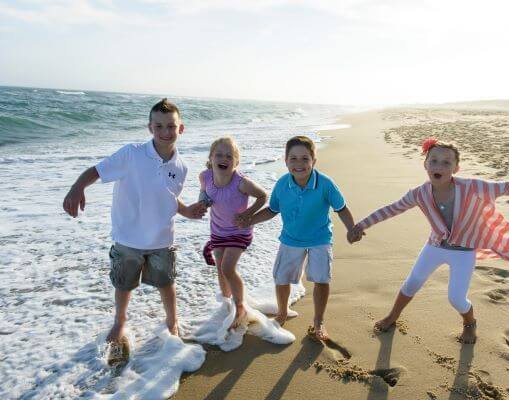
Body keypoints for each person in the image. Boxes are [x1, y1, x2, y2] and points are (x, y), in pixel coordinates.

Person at [349, 137, 509, 344]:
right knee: (411, 283)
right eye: (434, 161)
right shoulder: (418, 193)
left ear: (456, 168)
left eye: (446, 163)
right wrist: (361, 225)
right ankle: (393, 316)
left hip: (463, 251)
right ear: (425, 165)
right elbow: (391, 209)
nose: (439, 166)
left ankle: (469, 322)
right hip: (435, 246)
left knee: (456, 299)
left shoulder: (473, 187)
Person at [62, 98, 206, 361]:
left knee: (166, 282)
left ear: (181, 129)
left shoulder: (181, 167)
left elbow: (169, 198)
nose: (165, 132)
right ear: (150, 127)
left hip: (162, 238)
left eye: (171, 127)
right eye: (159, 126)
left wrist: (187, 211)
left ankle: (172, 320)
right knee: (124, 284)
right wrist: (77, 187)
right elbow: (96, 170)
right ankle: (119, 322)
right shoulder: (132, 153)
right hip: (128, 238)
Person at [240, 135, 358, 341]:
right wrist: (250, 220)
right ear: (285, 161)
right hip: (291, 239)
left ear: (313, 161)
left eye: (305, 158)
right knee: (281, 277)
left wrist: (351, 228)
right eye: (293, 158)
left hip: (320, 239)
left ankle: (319, 320)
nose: (299, 164)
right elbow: (272, 210)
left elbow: (341, 208)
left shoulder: (325, 184)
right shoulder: (282, 184)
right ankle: (282, 312)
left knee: (321, 279)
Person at [200, 136, 267, 329]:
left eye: (229, 156)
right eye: (219, 155)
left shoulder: (241, 183)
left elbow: (263, 196)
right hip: (217, 230)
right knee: (220, 268)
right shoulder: (205, 176)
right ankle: (226, 303)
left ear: (236, 162)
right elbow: (204, 193)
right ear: (211, 158)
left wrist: (248, 213)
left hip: (239, 231)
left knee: (228, 268)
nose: (224, 158)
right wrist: (202, 202)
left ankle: (240, 307)